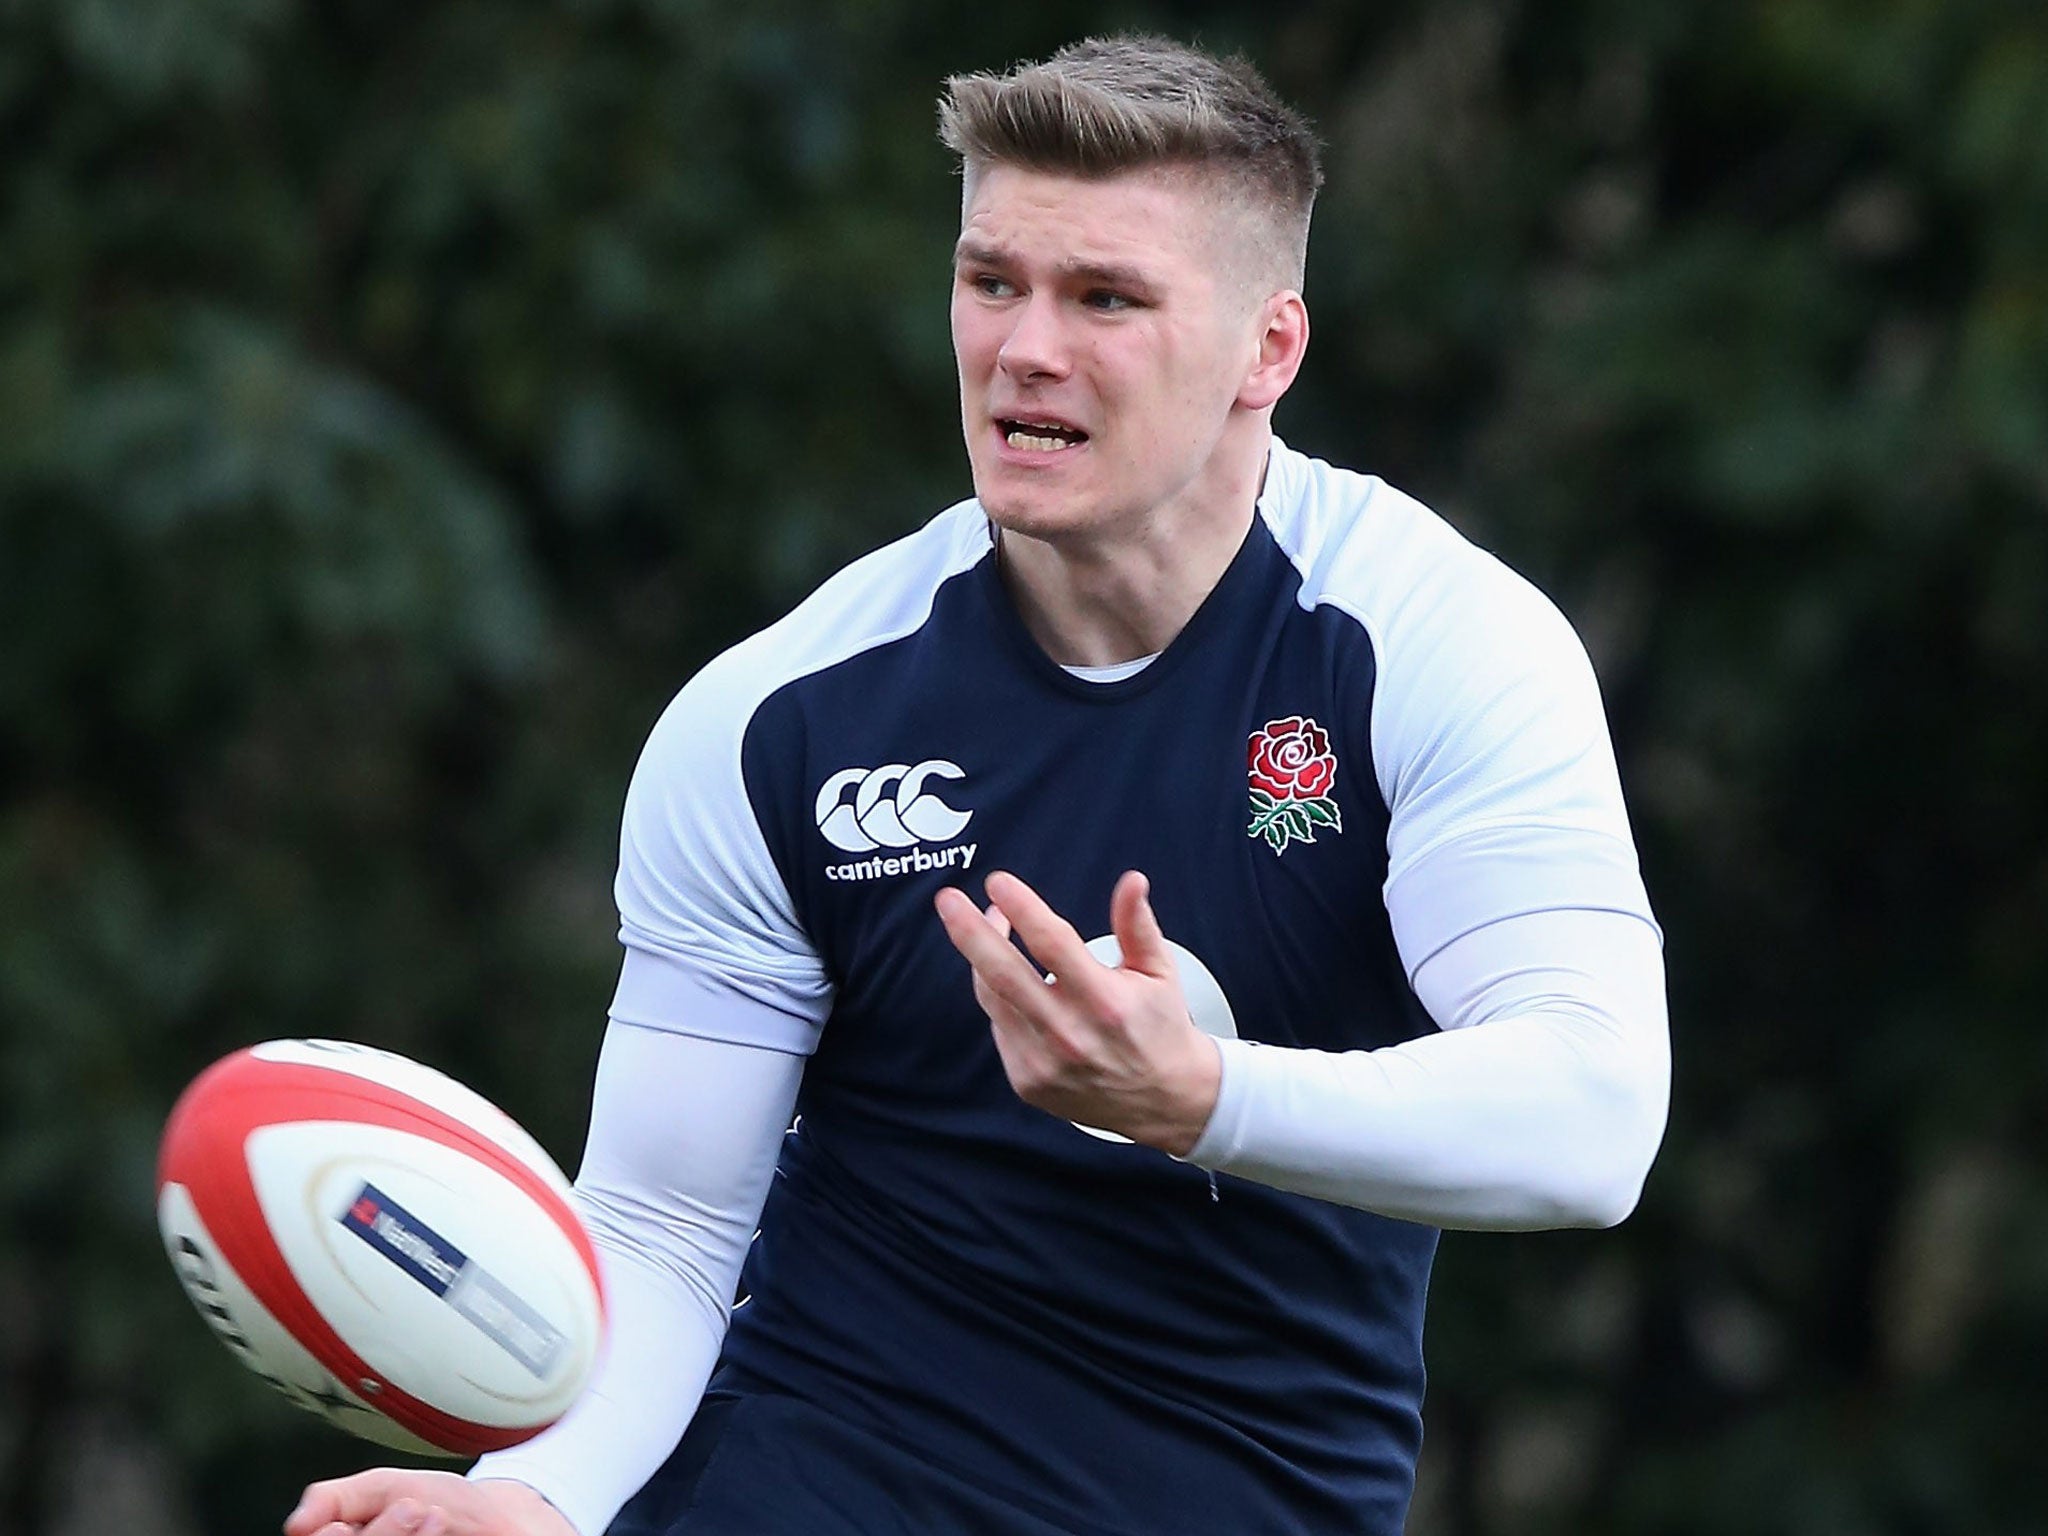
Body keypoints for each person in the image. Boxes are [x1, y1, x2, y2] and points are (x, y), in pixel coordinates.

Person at [286, 34, 1669, 1536]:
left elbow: (1593, 1119)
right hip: (820, 1470)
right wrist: (538, 1497)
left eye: (1108, 300)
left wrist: (1201, 1098)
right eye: (992, 280)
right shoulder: (777, 720)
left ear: (1269, 350)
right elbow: (668, 1223)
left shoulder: (1433, 649)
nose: (1024, 349)